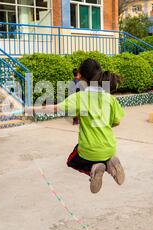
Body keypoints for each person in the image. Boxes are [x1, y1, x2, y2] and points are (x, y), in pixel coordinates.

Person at [34, 59, 126, 194]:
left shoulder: (80, 97)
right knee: (102, 154)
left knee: (72, 161)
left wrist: (30, 109)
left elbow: (55, 108)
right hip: (110, 148)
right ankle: (109, 165)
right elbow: (117, 122)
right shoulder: (110, 98)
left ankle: (94, 169)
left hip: (89, 150)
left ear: (81, 76)